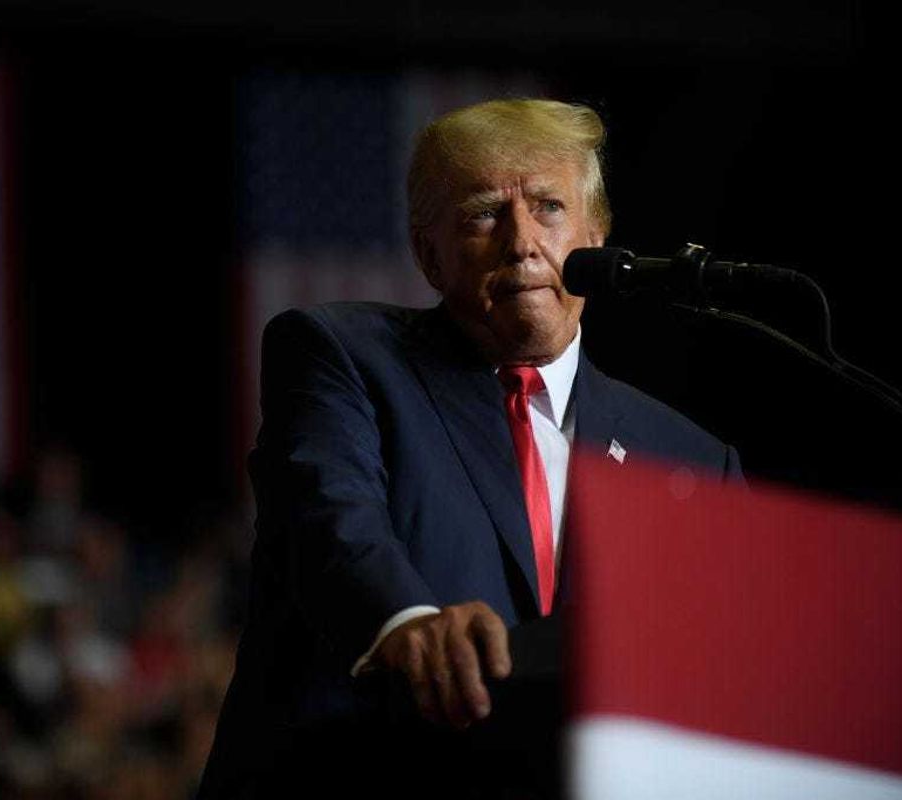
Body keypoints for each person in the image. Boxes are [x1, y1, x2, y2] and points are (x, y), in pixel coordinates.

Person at [199, 98, 743, 799]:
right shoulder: (345, 357)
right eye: (485, 214)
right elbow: (333, 522)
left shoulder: (692, 459)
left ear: (598, 237)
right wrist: (411, 623)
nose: (522, 241)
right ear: (429, 254)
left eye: (548, 207)